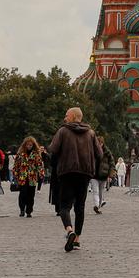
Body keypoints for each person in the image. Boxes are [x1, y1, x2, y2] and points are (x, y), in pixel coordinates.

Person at [47, 107, 99, 252]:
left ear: (73, 116)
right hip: (85, 173)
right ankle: (77, 240)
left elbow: (53, 149)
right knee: (80, 207)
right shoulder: (91, 133)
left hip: (67, 172)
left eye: (66, 115)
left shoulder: (63, 131)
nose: (65, 118)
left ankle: (69, 230)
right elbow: (99, 153)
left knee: (64, 206)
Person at [13, 136, 44, 218]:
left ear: (33, 145)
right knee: (23, 194)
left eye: (30, 145)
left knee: (31, 195)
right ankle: (22, 209)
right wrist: (15, 174)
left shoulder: (36, 154)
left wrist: (41, 173)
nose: (29, 146)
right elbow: (16, 165)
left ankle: (29, 211)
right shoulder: (20, 154)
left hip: (32, 177)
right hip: (23, 177)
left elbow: (40, 165)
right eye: (28, 145)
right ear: (25, 145)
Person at [90, 136, 112, 214]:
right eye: (98, 143)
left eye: (101, 143)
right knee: (95, 191)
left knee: (101, 192)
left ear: (103, 143)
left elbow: (111, 163)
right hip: (94, 175)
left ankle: (98, 207)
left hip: (103, 175)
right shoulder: (92, 151)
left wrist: (111, 174)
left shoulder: (107, 152)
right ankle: (96, 205)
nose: (99, 145)